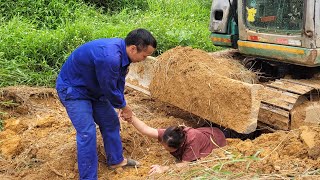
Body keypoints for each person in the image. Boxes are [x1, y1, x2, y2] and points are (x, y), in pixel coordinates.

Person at [56, 28, 157, 180]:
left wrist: (121, 103)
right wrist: (124, 107)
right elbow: (109, 88)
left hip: (94, 89)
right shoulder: (110, 57)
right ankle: (89, 177)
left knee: (110, 122)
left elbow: (118, 81)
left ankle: (116, 161)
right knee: (87, 132)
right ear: (133, 48)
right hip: (74, 89)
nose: (145, 59)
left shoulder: (123, 53)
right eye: (145, 55)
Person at [127, 114, 227, 175]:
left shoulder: (192, 142)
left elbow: (185, 165)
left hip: (221, 136)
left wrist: (163, 168)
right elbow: (146, 129)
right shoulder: (170, 134)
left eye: (168, 149)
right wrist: (130, 116)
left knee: (241, 135)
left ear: (180, 145)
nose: (164, 147)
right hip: (207, 129)